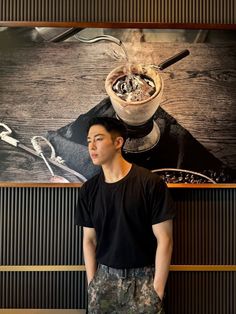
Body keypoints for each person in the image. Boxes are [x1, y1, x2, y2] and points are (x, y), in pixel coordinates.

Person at [75, 116, 175, 313]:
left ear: (118, 142)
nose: (91, 146)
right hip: (104, 280)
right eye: (89, 141)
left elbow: (166, 239)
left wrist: (157, 291)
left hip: (144, 280)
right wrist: (92, 284)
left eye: (98, 139)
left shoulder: (150, 183)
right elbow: (89, 240)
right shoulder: (88, 190)